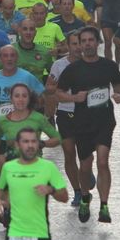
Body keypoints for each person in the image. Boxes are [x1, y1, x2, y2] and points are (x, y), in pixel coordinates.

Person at [55, 27, 120, 224]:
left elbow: (118, 85)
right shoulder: (73, 70)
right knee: (85, 166)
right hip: (82, 123)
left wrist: (119, 95)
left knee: (102, 161)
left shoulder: (109, 66)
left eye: (90, 40)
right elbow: (58, 93)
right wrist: (74, 97)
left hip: (104, 121)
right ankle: (85, 196)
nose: (87, 44)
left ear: (97, 42)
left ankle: (104, 205)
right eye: (83, 41)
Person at [0, 128, 68, 240]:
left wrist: (51, 190)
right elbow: (2, 193)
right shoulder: (9, 168)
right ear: (17, 145)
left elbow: (64, 196)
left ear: (38, 145)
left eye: (34, 141)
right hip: (15, 231)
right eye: (26, 142)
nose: (30, 146)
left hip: (39, 231)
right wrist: (0, 202)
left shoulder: (48, 167)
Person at [45, 31, 92, 207]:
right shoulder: (59, 65)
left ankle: (86, 173)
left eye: (80, 43)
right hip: (66, 113)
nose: (78, 47)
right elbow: (48, 87)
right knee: (69, 152)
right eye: (74, 44)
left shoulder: (92, 64)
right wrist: (61, 87)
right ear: (68, 46)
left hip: (87, 114)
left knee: (86, 154)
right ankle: (78, 191)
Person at [0, 84, 61, 170]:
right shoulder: (3, 120)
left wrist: (41, 144)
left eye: (24, 96)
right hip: (13, 170)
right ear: (11, 99)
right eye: (17, 96)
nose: (20, 99)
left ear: (29, 99)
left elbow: (57, 138)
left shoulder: (38, 118)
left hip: (35, 168)